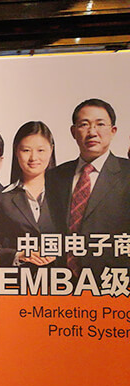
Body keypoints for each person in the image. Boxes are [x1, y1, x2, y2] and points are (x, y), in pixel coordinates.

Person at [46, 98, 130, 279]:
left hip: (114, 282)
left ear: (113, 131)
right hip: (63, 282)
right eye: (84, 125)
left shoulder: (127, 173)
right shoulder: (55, 176)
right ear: (73, 131)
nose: (92, 132)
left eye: (100, 124)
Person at [0, 121, 57, 268]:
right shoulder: (1, 198)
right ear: (16, 151)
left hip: (62, 279)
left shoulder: (66, 194)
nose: (33, 158)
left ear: (51, 150)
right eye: (26, 150)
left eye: (41, 150)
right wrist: (18, 255)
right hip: (17, 278)